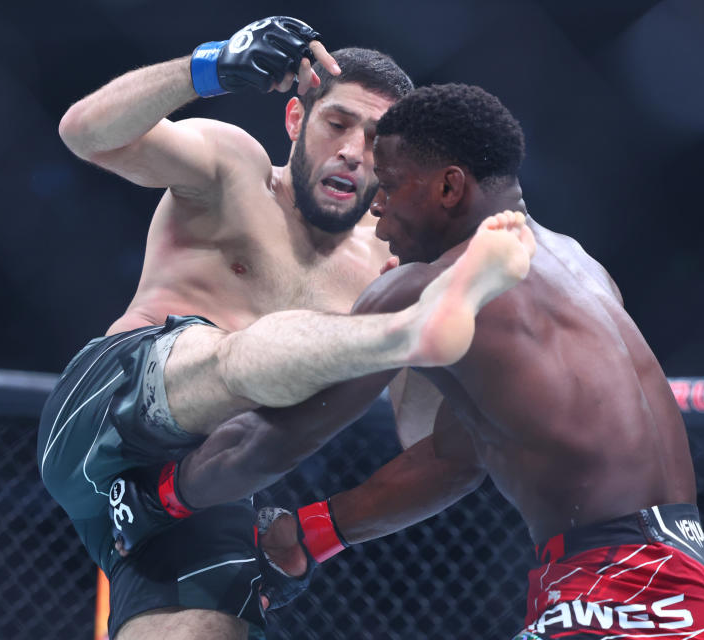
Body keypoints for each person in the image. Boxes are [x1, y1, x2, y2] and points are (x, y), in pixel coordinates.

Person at [128, 84, 704, 638]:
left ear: (450, 187)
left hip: (619, 593)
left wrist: (155, 498)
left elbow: (271, 444)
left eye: (390, 187)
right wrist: (308, 535)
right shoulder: (580, 265)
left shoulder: (424, 289)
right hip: (687, 579)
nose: (376, 208)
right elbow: (454, 457)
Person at [36, 16, 535, 640]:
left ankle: (415, 340)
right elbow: (84, 133)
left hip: (199, 488)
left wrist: (469, 369)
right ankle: (406, 336)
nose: (353, 150)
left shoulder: (389, 270)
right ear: (297, 121)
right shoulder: (231, 167)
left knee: (208, 626)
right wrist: (208, 67)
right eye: (337, 123)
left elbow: (422, 439)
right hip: (110, 409)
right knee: (232, 358)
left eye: (376, 140)